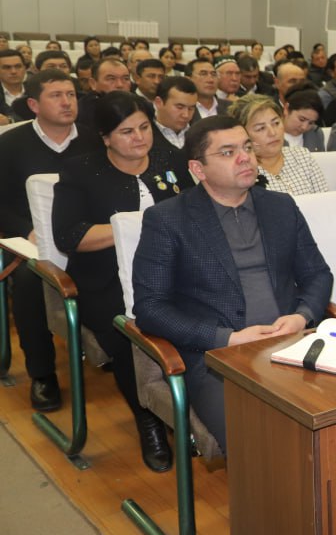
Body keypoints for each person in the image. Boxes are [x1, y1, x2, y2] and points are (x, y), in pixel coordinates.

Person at [132, 116, 334, 454]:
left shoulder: (280, 206)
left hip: (293, 341)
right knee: (260, 445)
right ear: (198, 169)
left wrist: (301, 316)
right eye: (228, 152)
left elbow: (318, 274)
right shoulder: (167, 219)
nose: (245, 158)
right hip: (218, 357)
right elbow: (150, 308)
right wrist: (227, 338)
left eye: (247, 148)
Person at [52, 92, 194, 472]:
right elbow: (70, 236)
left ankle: (192, 414)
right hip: (106, 278)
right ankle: (148, 419)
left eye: (145, 127)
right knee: (129, 334)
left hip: (174, 270)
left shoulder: (170, 160)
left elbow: (195, 210)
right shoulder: (80, 171)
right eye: (127, 131)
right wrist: (134, 227)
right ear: (105, 137)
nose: (140, 138)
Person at [0, 70, 95, 412]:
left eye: (71, 94)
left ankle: (107, 348)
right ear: (33, 105)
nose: (67, 102)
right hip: (30, 239)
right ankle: (42, 373)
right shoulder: (10, 144)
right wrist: (26, 230)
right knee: (30, 281)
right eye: (56, 95)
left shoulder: (93, 141)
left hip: (84, 234)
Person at [230, 94, 328, 195]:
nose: (273, 133)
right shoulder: (243, 170)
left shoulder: (302, 156)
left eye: (276, 123)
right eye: (261, 128)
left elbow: (326, 199)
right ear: (243, 134)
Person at [152, 75, 199, 154]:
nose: (186, 115)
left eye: (191, 108)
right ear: (159, 103)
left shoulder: (200, 135)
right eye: (179, 107)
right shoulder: (144, 137)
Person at [282, 88, 325, 152]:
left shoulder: (315, 134)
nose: (304, 127)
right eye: (301, 119)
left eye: (311, 123)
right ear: (286, 109)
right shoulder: (270, 134)